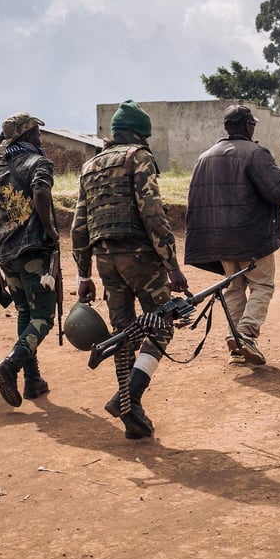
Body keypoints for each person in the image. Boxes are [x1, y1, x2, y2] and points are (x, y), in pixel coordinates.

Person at [71, 100, 189, 439]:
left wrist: (84, 275)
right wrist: (173, 267)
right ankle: (131, 395)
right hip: (140, 258)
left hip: (105, 261)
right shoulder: (138, 157)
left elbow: (79, 227)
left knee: (123, 334)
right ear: (140, 135)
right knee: (162, 323)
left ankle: (132, 415)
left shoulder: (89, 166)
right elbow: (153, 215)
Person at [184, 104, 280, 365]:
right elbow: (279, 192)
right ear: (248, 126)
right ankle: (245, 333)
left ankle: (236, 345)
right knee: (262, 284)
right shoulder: (256, 153)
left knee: (234, 288)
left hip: (217, 240)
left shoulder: (204, 157)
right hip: (251, 237)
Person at [0, 113, 60, 407]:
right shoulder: (38, 163)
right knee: (43, 317)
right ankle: (10, 365)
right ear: (27, 137)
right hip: (33, 254)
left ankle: (32, 381)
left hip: (6, 258)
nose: (41, 139)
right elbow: (41, 191)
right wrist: (50, 230)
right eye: (38, 133)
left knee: (25, 313)